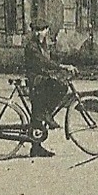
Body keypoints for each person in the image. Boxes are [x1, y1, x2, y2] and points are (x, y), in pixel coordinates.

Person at [23, 23, 72, 159]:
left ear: (47, 31)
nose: (39, 33)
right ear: (32, 32)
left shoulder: (43, 45)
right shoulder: (32, 46)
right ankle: (47, 115)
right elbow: (43, 62)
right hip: (36, 80)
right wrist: (62, 67)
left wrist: (63, 61)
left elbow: (50, 57)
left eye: (42, 30)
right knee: (61, 87)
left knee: (37, 111)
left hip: (40, 79)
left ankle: (36, 148)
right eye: (36, 30)